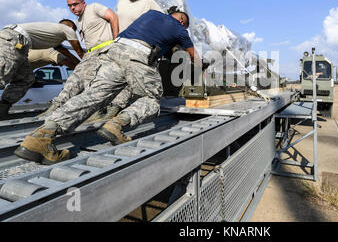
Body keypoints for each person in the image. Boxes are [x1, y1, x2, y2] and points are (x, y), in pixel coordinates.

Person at [15, 9, 201, 165]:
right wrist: (201, 68)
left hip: (114, 51)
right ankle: (116, 125)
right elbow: (192, 56)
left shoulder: (151, 14)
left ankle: (41, 136)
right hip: (137, 55)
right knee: (151, 99)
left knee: (93, 96)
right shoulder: (180, 29)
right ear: (183, 21)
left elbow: (155, 39)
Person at [92, 0, 163, 120]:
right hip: (119, 47)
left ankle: (114, 110)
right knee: (108, 78)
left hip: (137, 50)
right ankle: (100, 109)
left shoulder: (150, 4)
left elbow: (163, 24)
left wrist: (156, 48)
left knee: (129, 82)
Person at [42, 0, 119, 115]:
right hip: (91, 54)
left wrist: (116, 42)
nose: (72, 8)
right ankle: (57, 106)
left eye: (75, 4)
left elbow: (113, 17)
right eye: (69, 6)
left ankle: (102, 111)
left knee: (105, 82)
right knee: (77, 77)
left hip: (106, 50)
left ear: (83, 3)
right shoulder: (78, 21)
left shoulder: (94, 7)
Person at [0, 20, 84, 117]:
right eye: (74, 30)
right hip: (13, 39)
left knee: (26, 79)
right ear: (71, 27)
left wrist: (82, 66)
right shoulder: (67, 29)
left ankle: (2, 108)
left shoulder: (54, 40)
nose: (73, 32)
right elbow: (79, 53)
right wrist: (88, 68)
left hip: (21, 47)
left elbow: (68, 54)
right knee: (2, 73)